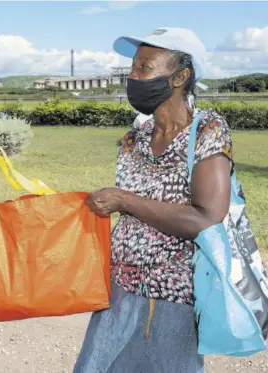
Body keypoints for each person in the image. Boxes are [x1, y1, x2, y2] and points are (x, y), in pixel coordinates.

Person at [74, 27, 232, 373]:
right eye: (132, 67)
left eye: (144, 68)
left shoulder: (207, 131)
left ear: (180, 76)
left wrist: (124, 200)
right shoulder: (134, 138)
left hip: (175, 295)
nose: (133, 76)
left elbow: (206, 218)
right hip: (119, 287)